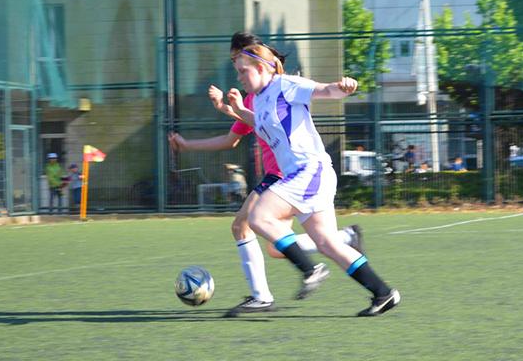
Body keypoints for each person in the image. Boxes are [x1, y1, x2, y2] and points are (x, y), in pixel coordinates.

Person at [167, 32, 364, 317]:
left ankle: (266, 294)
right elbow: (245, 124)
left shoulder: (270, 90)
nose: (237, 67)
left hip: (285, 176)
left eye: (238, 60)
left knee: (245, 225)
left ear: (256, 61)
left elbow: (236, 134)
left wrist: (217, 119)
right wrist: (225, 110)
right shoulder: (255, 95)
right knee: (275, 246)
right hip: (283, 176)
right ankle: (343, 240)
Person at [226, 41, 400, 316]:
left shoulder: (286, 84)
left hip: (309, 170)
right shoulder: (260, 98)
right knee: (328, 243)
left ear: (261, 68)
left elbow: (323, 90)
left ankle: (310, 268)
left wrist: (342, 88)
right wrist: (236, 109)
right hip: (306, 175)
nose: (239, 77)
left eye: (242, 71)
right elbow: (260, 122)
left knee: (259, 218)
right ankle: (383, 293)